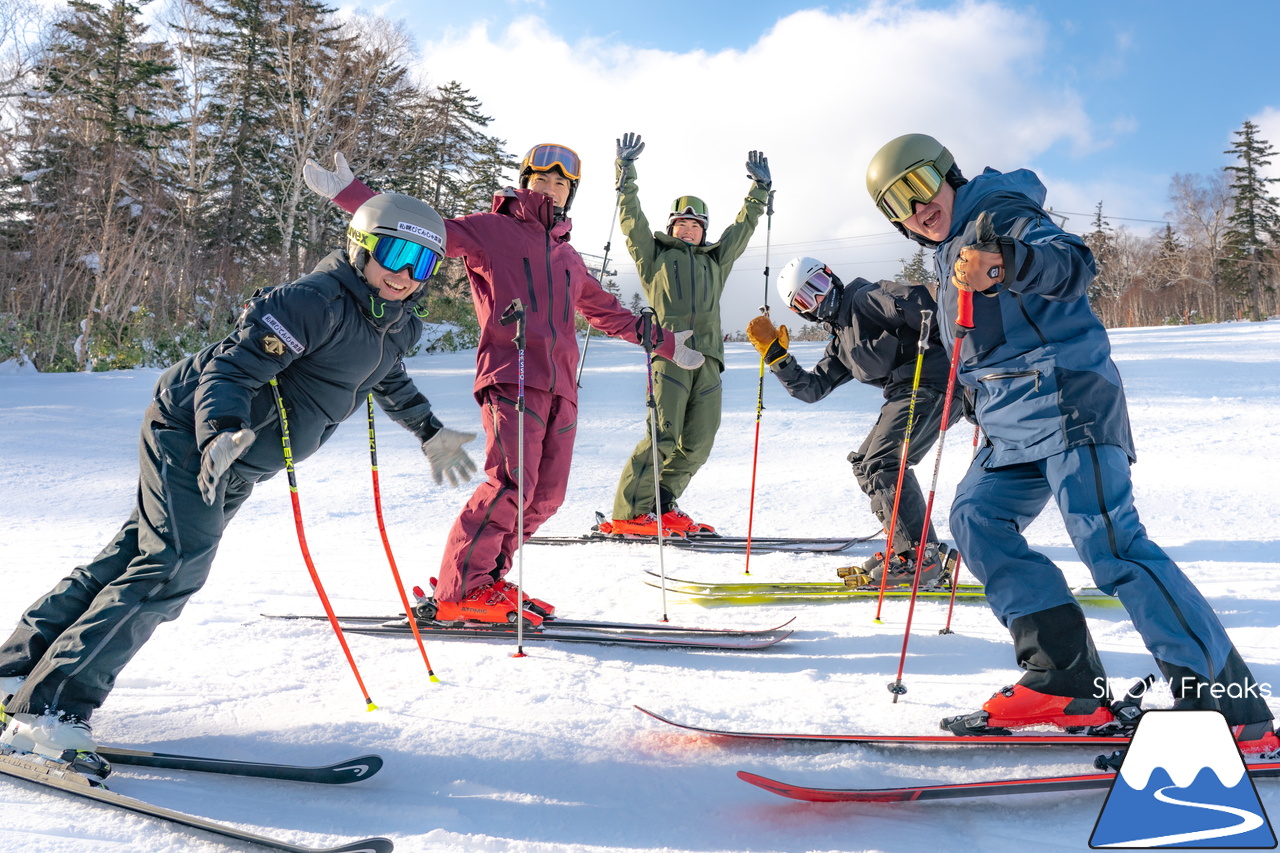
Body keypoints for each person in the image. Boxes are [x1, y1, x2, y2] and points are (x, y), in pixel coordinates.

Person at [0, 193, 474, 759]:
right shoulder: (313, 302)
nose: (404, 274)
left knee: (134, 555)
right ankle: (48, 708)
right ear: (361, 247)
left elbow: (385, 378)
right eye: (395, 253)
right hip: (194, 435)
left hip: (241, 459)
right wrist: (220, 430)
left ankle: (16, 671)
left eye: (422, 264)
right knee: (172, 565)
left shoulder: (396, 324)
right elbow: (232, 367)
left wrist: (430, 431)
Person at [865, 132, 1278, 749]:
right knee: (977, 519)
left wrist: (1005, 260)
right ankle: (1063, 679)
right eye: (898, 204)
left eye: (920, 185)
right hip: (1009, 423)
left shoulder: (997, 215)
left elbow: (1073, 262)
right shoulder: (947, 250)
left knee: (1111, 544)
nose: (916, 207)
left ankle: (1231, 712)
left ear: (946, 173)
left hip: (1067, 397)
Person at [304, 145, 705, 622]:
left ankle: (486, 578)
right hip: (512, 374)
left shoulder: (569, 257)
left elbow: (608, 313)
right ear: (525, 181)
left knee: (545, 497)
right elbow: (419, 230)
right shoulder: (490, 230)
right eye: (542, 179)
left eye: (561, 183)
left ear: (570, 195)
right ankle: (460, 590)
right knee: (510, 483)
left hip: (563, 389)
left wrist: (665, 344)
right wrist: (351, 194)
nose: (550, 188)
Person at [596, 133, 771, 537]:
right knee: (662, 433)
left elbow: (741, 230)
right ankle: (628, 513)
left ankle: (659, 503)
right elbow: (631, 219)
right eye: (681, 223)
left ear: (703, 231)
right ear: (671, 227)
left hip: (708, 359)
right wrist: (626, 173)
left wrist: (759, 191)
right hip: (670, 354)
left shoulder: (716, 261)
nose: (688, 229)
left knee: (698, 442)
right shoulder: (654, 255)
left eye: (695, 225)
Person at [744, 258, 960, 585]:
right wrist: (777, 357)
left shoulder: (864, 298)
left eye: (817, 286)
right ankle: (907, 547)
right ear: (800, 312)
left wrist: (949, 313)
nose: (818, 300)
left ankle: (918, 556)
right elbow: (812, 388)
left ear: (831, 277)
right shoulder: (843, 342)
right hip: (907, 393)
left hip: (932, 381)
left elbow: (917, 301)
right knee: (865, 463)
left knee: (883, 462)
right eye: (805, 299)